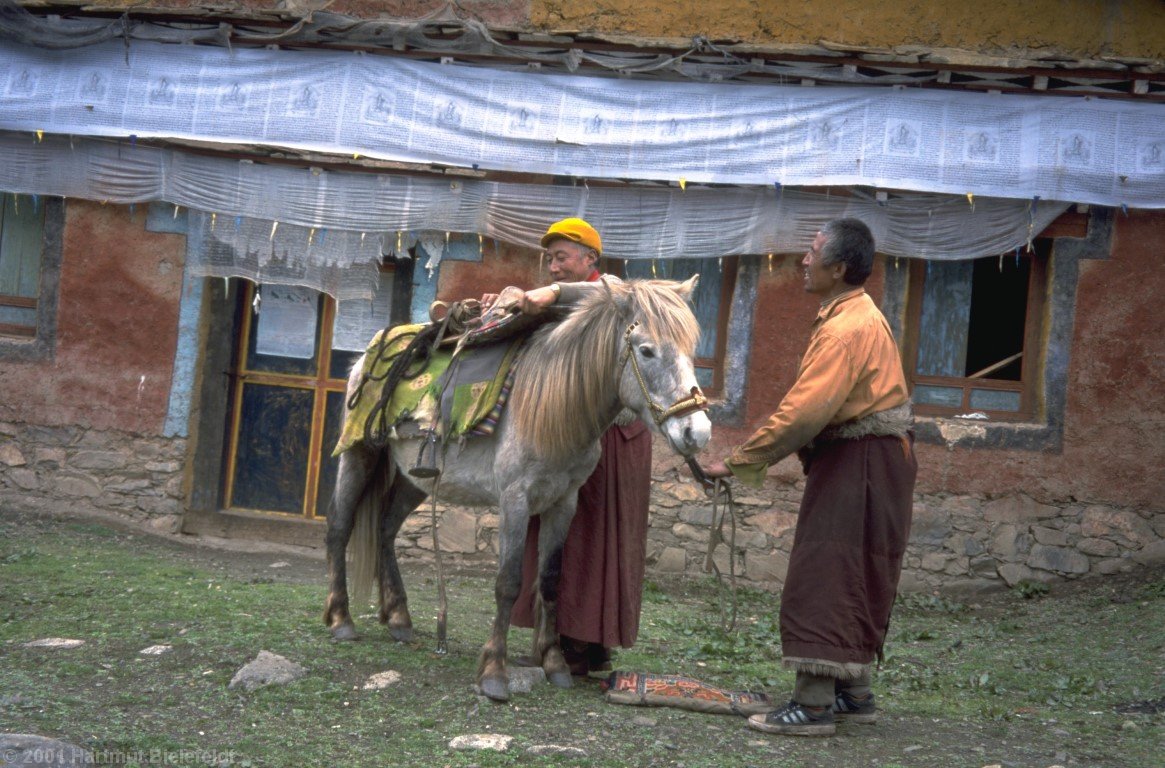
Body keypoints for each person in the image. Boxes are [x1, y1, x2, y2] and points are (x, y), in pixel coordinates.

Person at [699, 218, 916, 737]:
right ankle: (852, 691)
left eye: (813, 252)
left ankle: (814, 705)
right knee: (856, 570)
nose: (802, 260)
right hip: (874, 461)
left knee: (826, 574)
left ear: (838, 267)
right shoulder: (855, 314)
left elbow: (804, 413)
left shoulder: (845, 328)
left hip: (861, 463)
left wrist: (738, 459)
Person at [499, 217, 653, 676]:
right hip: (565, 437)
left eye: (561, 257)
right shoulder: (572, 295)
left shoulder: (615, 294)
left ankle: (585, 642)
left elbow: (604, 295)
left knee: (594, 541)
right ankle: (560, 638)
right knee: (563, 542)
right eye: (549, 259)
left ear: (590, 258)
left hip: (609, 437)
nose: (553, 267)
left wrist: (552, 295)